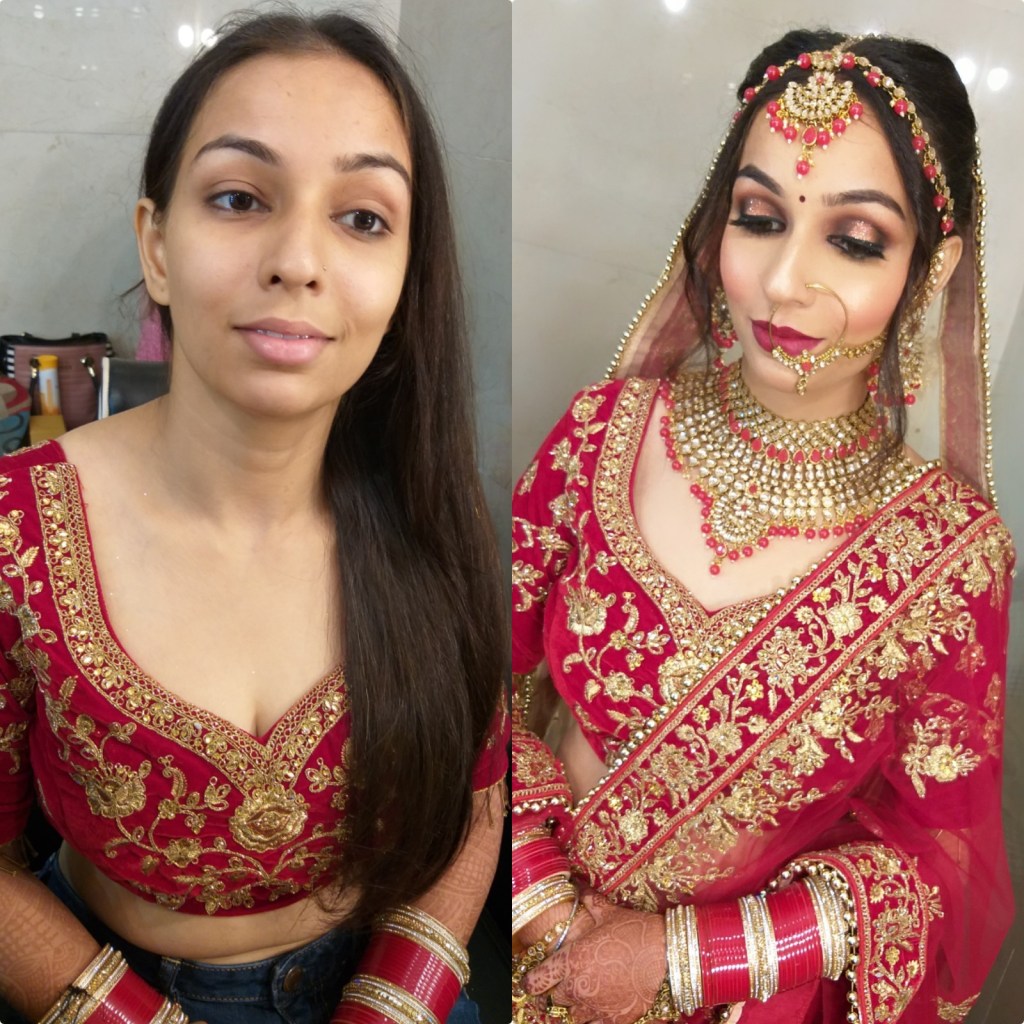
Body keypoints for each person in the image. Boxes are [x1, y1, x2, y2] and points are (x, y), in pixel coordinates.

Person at [0, 10, 508, 1024]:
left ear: (405, 277)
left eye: (362, 218)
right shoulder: (19, 530)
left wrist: (389, 1001)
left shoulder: (427, 512)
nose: (298, 260)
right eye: (239, 198)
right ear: (157, 245)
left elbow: (479, 790)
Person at [511, 28, 1012, 1024]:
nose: (784, 281)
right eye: (758, 217)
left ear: (932, 265)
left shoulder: (949, 557)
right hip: (524, 953)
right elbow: (469, 684)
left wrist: (678, 959)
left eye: (855, 239)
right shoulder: (601, 437)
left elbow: (939, 864)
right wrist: (546, 914)